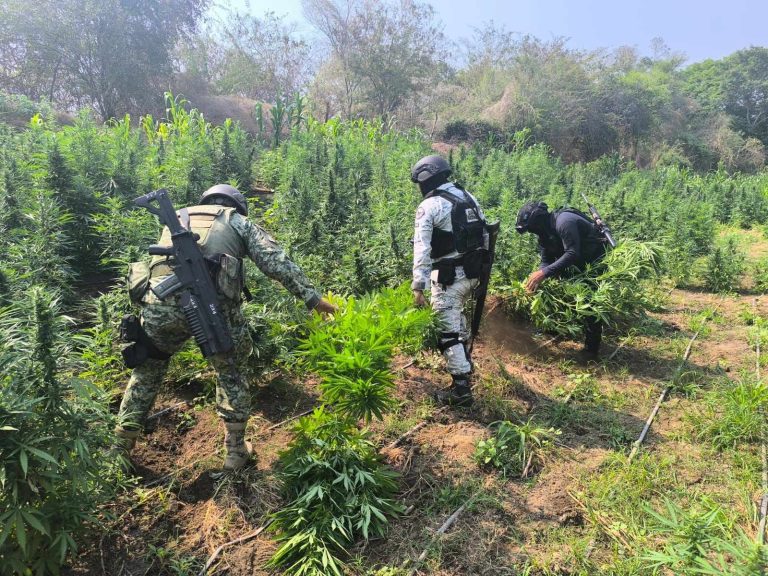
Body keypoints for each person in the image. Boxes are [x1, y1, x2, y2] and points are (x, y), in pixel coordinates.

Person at [115, 184, 336, 470]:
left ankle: (120, 447)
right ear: (236, 205)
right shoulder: (236, 220)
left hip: (159, 307)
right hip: (212, 309)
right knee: (230, 370)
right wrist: (312, 298)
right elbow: (275, 261)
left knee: (147, 370)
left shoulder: (181, 216)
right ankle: (234, 451)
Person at [410, 155, 488, 407]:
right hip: (475, 274)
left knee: (448, 331)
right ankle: (464, 363)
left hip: (449, 277)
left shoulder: (429, 206)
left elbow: (421, 249)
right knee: (458, 322)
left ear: (425, 180)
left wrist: (418, 287)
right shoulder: (468, 197)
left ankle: (461, 390)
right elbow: (486, 233)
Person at [515, 200, 607, 359]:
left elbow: (572, 253)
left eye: (533, 229)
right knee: (553, 288)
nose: (533, 233)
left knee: (589, 301)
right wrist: (541, 274)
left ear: (539, 222)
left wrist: (544, 273)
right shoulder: (544, 234)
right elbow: (546, 259)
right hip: (576, 261)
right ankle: (554, 328)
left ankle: (591, 350)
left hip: (594, 260)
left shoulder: (564, 222)